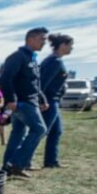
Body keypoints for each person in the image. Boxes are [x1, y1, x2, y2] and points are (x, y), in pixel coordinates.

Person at [0, 27, 49, 178]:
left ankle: (7, 167)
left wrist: (43, 99)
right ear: (31, 39)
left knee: (18, 134)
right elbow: (5, 78)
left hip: (30, 101)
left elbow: (33, 84)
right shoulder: (18, 57)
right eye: (42, 39)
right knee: (40, 129)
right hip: (22, 103)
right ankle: (16, 164)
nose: (44, 42)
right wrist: (10, 99)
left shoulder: (32, 59)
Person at [39, 33, 74, 168]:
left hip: (53, 100)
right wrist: (42, 101)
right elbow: (43, 83)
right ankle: (20, 161)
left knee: (56, 131)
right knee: (40, 132)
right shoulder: (55, 61)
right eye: (70, 45)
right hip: (49, 101)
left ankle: (51, 161)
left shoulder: (54, 60)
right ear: (63, 45)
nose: (72, 48)